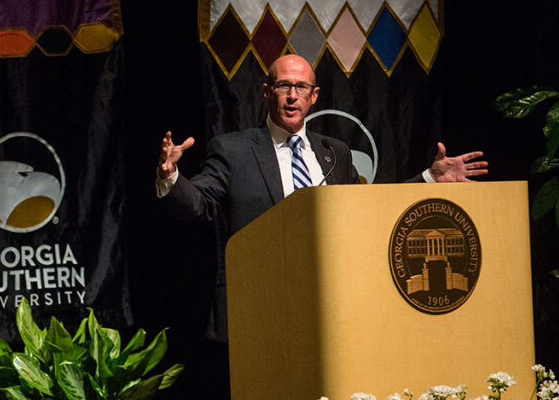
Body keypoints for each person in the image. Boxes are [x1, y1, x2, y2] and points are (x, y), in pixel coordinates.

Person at [156, 54, 488, 341]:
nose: (291, 96)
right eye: (283, 85)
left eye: (301, 88)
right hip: (258, 307)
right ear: (266, 91)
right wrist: (171, 176)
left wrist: (429, 178)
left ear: (314, 96)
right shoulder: (234, 150)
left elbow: (369, 210)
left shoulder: (334, 153)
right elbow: (198, 203)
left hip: (330, 306)